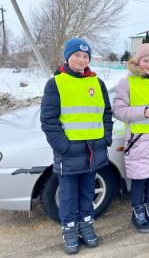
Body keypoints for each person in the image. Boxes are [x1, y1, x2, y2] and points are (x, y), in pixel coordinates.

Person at [40, 38, 113, 254]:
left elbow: (106, 113)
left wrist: (105, 138)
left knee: (88, 192)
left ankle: (86, 225)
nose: (81, 59)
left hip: (94, 151)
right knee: (68, 195)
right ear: (67, 57)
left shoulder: (97, 83)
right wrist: (63, 146)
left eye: (85, 56)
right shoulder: (56, 83)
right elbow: (49, 120)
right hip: (69, 153)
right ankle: (70, 229)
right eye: (76, 55)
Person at [113, 43, 149, 233]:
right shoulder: (126, 83)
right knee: (139, 179)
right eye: (145, 60)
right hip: (138, 141)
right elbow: (119, 111)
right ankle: (138, 213)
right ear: (138, 61)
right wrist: (144, 112)